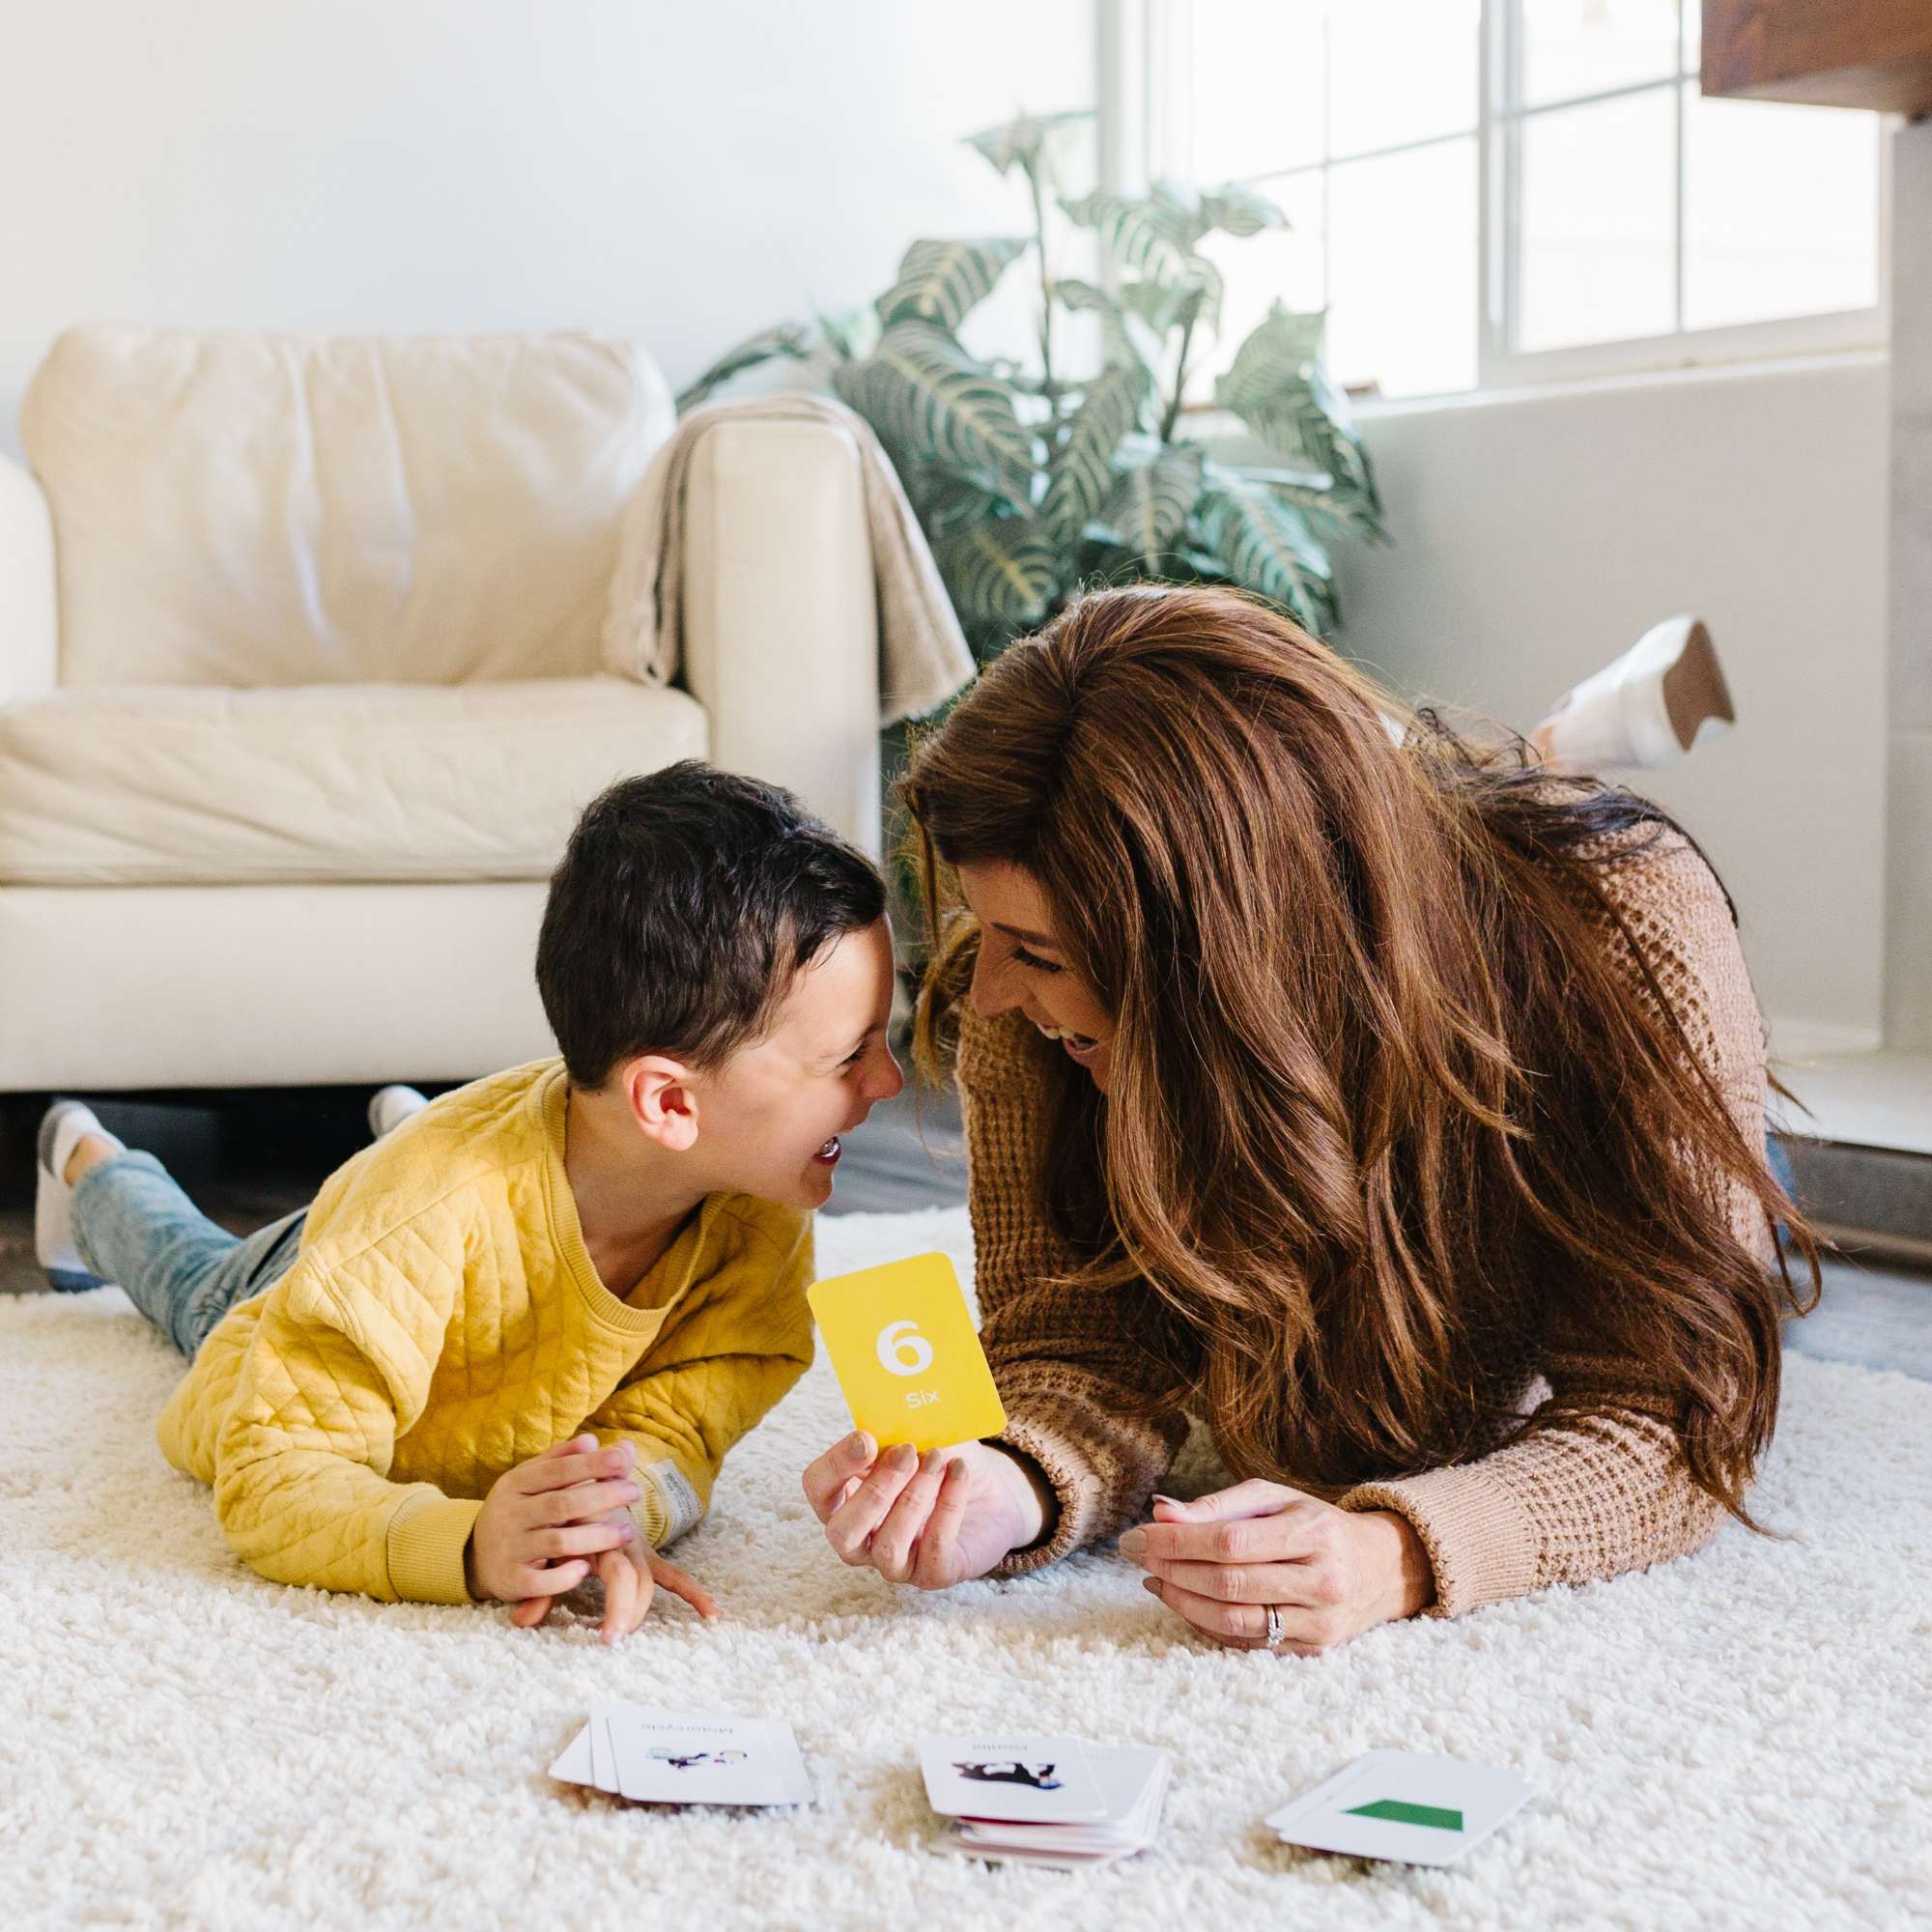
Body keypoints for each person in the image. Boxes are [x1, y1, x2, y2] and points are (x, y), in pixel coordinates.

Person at [802, 586, 1815, 1655]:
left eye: (1041, 954)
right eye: (991, 930)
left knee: (1749, 1259)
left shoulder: (1627, 926)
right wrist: (1008, 1482)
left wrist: (1396, 1552)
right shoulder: (1030, 1010)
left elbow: (1669, 1416)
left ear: (1223, 958)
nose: (988, 994)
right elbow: (1073, 1345)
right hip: (1357, 954)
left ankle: (1554, 748)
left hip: (1541, 1043)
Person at [38, 762, 903, 1642]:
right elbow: (272, 1479)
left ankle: (415, 1125)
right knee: (185, 1273)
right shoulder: (414, 1228)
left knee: (435, 1191)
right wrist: (472, 1543)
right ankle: (86, 1157)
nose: (891, 1079)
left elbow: (683, 1416)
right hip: (317, 1275)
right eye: (849, 1056)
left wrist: (605, 1509)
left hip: (447, 1220)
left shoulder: (759, 1199)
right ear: (671, 1104)